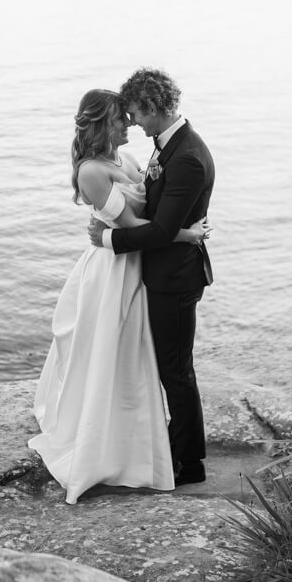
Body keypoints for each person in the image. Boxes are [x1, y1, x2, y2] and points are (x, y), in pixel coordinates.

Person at [30, 88, 210, 504]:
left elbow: (153, 216)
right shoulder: (92, 172)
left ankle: (142, 442)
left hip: (137, 265)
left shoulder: (126, 159)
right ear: (99, 124)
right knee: (111, 355)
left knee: (135, 359)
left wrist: (177, 226)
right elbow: (131, 224)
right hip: (112, 270)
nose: (128, 123)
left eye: (130, 116)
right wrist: (186, 233)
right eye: (119, 118)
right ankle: (109, 442)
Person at [88, 68, 215, 487]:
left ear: (154, 107)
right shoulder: (170, 145)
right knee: (168, 368)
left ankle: (189, 463)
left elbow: (160, 232)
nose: (134, 123)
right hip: (164, 273)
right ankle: (173, 448)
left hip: (175, 279)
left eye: (137, 114)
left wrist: (108, 238)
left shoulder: (187, 157)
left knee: (175, 371)